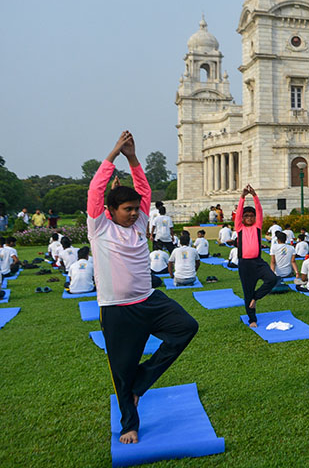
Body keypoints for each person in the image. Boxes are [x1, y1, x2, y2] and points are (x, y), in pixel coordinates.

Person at [89, 131, 198, 444]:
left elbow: (144, 189)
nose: (135, 213)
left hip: (149, 301)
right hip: (117, 311)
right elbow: (96, 190)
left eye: (137, 208)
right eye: (128, 209)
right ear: (111, 211)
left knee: (186, 328)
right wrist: (113, 154)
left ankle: (143, 381)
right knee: (121, 372)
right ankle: (129, 425)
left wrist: (133, 158)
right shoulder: (99, 227)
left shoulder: (139, 224)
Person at [235, 184, 278, 328]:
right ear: (242, 218)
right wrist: (242, 196)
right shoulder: (239, 228)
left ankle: (256, 296)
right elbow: (239, 211)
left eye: (251, 216)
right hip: (245, 265)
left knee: (272, 279)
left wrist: (254, 195)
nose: (249, 217)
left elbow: (259, 210)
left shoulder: (257, 226)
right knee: (247, 292)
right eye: (246, 216)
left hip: (258, 262)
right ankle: (252, 319)